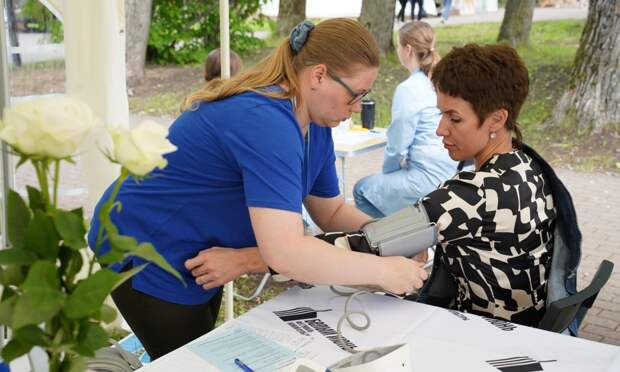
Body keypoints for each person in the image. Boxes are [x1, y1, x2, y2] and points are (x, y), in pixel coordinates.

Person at [87, 19, 428, 360]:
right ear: (319, 75)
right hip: (146, 250)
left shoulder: (315, 121)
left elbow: (331, 211)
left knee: (203, 356)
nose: (357, 107)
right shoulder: (267, 122)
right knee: (192, 364)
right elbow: (287, 253)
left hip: (199, 253)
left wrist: (388, 236)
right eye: (356, 94)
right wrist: (384, 272)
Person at [339, 43, 580, 328]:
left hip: (481, 337)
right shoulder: (528, 165)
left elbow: (361, 246)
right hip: (524, 329)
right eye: (440, 114)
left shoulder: (473, 195)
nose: (441, 129)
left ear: (497, 119)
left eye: (454, 118)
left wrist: (288, 249)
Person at [353, 21, 457, 218]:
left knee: (363, 189)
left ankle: (384, 243)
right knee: (384, 190)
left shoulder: (409, 89)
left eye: (398, 46)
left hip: (427, 178)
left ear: (407, 49)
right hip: (453, 171)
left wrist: (388, 173)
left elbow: (398, 145)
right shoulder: (443, 82)